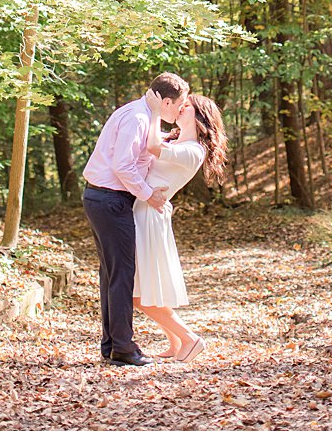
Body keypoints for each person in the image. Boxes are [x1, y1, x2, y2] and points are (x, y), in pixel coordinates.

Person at [81, 71, 189, 367]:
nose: (180, 112)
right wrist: (148, 194)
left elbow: (137, 152)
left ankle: (112, 345)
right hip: (110, 199)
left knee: (112, 274)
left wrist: (166, 138)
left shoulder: (140, 115)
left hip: (104, 199)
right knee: (122, 275)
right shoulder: (138, 118)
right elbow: (122, 165)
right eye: (179, 106)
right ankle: (124, 349)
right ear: (166, 102)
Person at [134, 93, 227, 362]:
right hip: (147, 212)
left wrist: (153, 110)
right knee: (146, 287)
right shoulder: (178, 141)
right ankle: (175, 343)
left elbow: (151, 146)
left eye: (187, 106)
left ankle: (189, 338)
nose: (180, 107)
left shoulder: (193, 150)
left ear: (200, 117)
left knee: (137, 293)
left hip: (149, 217)